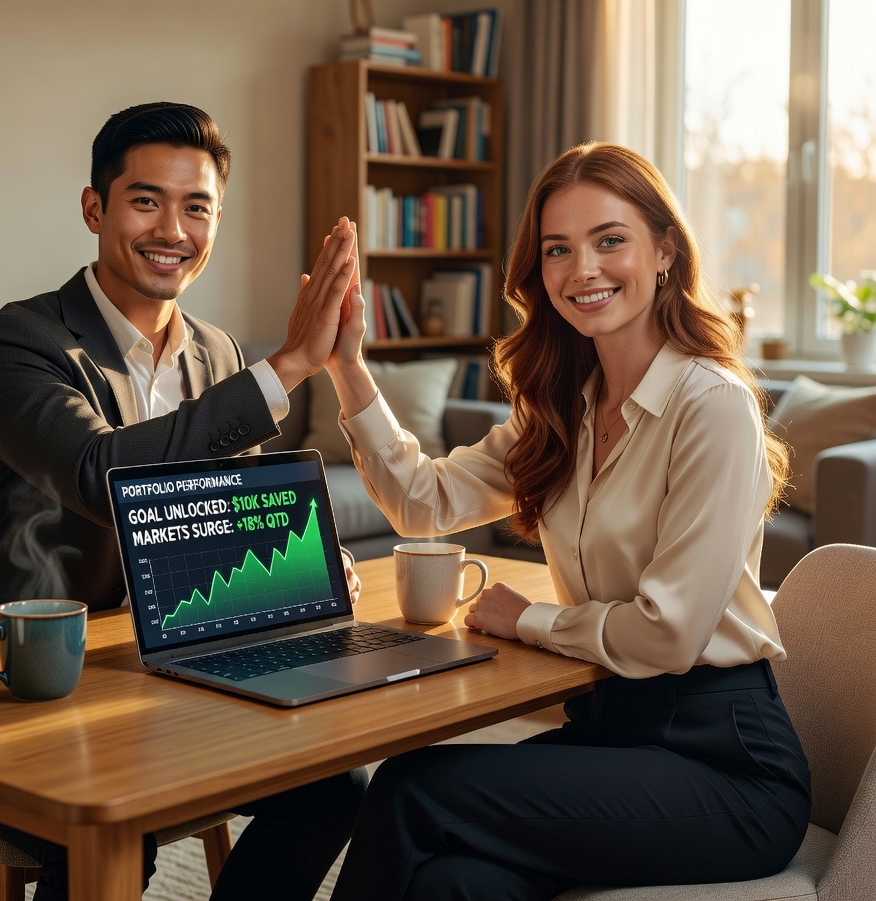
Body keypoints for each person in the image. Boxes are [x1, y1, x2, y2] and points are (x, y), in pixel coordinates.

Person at [323, 142, 812, 900]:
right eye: (558, 249)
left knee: (412, 788)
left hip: (724, 766)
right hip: (609, 732)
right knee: (452, 882)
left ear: (665, 251)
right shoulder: (561, 409)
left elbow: (670, 633)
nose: (582, 269)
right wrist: (346, 367)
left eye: (609, 240)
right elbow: (424, 502)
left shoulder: (712, 405)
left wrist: (530, 620)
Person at [0, 102, 367, 901]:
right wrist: (287, 367)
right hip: (34, 683)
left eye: (196, 206)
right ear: (94, 208)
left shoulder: (218, 353)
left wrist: (312, 563)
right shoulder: (14, 345)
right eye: (146, 201)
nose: (173, 229)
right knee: (117, 832)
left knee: (335, 787)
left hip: (176, 669)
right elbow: (101, 476)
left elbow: (233, 515)